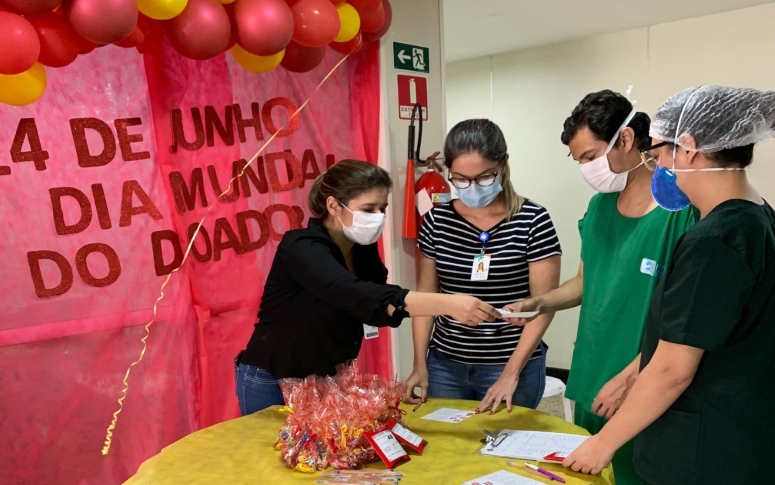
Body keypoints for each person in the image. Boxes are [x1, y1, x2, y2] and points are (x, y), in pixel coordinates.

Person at [563, 85, 775, 484]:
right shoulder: (759, 219)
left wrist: (602, 444)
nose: (658, 166)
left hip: (704, 447)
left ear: (689, 149)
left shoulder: (715, 240)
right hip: (743, 432)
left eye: (659, 154)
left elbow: (672, 370)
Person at [506, 90, 697, 485]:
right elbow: (584, 283)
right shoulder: (599, 209)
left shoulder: (681, 212)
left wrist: (633, 377)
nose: (586, 170)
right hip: (593, 371)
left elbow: (686, 319)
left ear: (626, 139)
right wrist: (538, 302)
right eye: (579, 162)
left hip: (644, 378)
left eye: (590, 157)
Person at [235, 160, 500, 415]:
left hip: (326, 377)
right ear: (334, 206)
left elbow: (379, 307)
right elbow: (355, 294)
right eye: (368, 209)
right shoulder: (301, 247)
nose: (378, 217)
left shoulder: (361, 250)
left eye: (382, 209)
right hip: (273, 378)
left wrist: (443, 307)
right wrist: (449, 304)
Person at [404, 119, 562, 413]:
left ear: (503, 164)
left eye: (484, 177)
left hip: (512, 362)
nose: (472, 187)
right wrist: (419, 362)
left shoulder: (533, 220)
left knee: (504, 450)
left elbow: (543, 306)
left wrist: (510, 373)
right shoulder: (437, 222)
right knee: (448, 451)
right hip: (445, 364)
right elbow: (426, 299)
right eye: (461, 179)